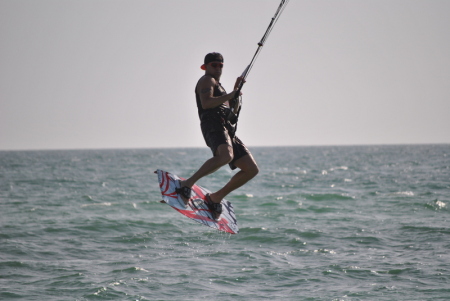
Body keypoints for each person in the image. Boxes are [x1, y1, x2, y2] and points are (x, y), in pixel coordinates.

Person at [177, 52, 259, 219]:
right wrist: (231, 94)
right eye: (214, 65)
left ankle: (215, 197)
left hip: (227, 129)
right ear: (205, 67)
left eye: (220, 65)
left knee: (251, 169)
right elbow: (207, 103)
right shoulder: (206, 80)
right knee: (225, 156)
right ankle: (187, 183)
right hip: (212, 125)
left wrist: (235, 93)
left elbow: (231, 109)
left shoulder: (219, 86)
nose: (218, 68)